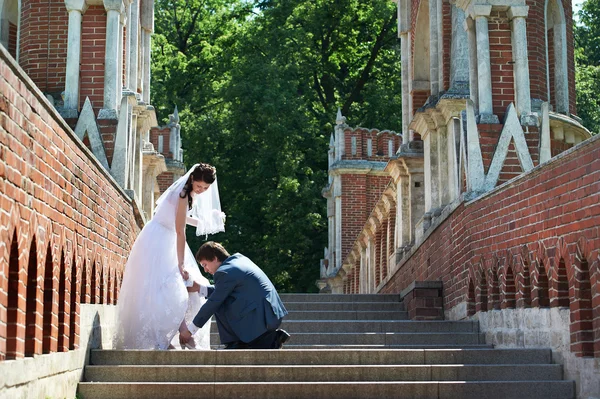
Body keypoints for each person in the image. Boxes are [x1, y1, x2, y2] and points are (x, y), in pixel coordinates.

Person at [114, 163, 225, 350]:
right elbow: (180, 230)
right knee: (169, 285)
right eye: (199, 186)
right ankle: (171, 335)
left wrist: (205, 222)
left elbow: (179, 218)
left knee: (179, 285)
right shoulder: (182, 194)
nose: (201, 190)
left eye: (205, 188)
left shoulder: (188, 194)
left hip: (168, 236)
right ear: (191, 179)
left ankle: (177, 333)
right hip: (160, 239)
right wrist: (180, 263)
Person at [179, 241, 290, 349]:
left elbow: (213, 302)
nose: (205, 270)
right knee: (221, 299)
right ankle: (266, 339)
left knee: (218, 303)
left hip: (259, 318)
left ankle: (237, 343)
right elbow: (226, 290)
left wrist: (190, 330)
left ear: (214, 258)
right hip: (269, 314)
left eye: (205, 265)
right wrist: (200, 288)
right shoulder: (239, 260)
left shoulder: (224, 272)